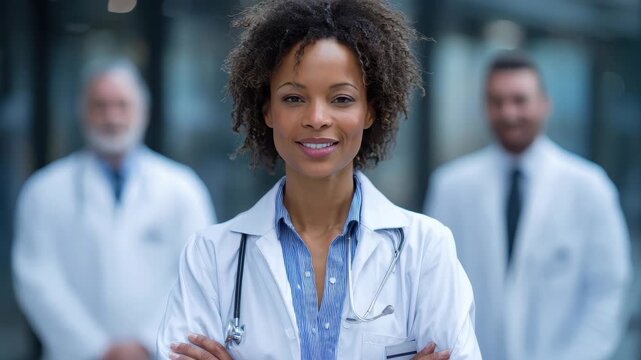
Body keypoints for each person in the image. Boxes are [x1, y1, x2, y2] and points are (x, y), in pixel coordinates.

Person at [157, 1, 481, 359]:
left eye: (341, 99)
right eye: (293, 98)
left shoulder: (426, 249)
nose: (316, 117)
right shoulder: (211, 256)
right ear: (267, 110)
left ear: (370, 110)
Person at [424, 52, 631, 360]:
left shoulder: (590, 187)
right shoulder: (451, 186)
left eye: (520, 100)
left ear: (544, 104)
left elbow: (609, 292)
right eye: (497, 101)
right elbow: (433, 286)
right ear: (485, 107)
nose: (509, 113)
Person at [12, 59, 216, 360]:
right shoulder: (43, 191)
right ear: (82, 112)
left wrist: (146, 343)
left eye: (122, 105)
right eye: (100, 105)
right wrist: (97, 349)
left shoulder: (182, 188)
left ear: (143, 112)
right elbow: (36, 278)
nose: (112, 116)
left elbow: (199, 274)